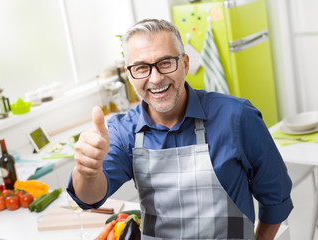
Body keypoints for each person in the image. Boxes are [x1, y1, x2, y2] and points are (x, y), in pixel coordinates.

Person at [67, 19, 293, 239]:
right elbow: (89, 198)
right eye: (142, 67)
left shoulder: (236, 116)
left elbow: (276, 197)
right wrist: (87, 172)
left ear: (184, 64)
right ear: (130, 75)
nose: (155, 79)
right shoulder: (123, 131)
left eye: (165, 63)